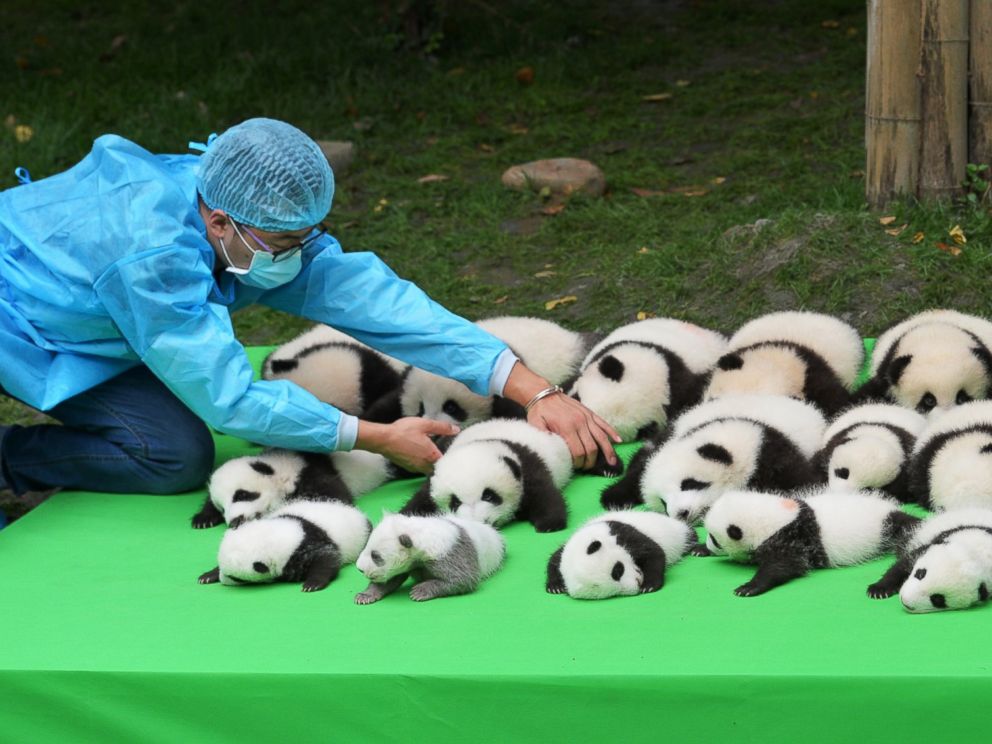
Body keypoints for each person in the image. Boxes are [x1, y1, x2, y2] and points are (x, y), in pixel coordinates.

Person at [0, 118, 618, 499]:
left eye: (308, 236)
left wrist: (537, 392)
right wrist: (377, 437)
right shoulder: (151, 258)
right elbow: (230, 399)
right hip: (17, 314)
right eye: (286, 244)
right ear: (218, 221)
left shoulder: (245, 217)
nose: (301, 256)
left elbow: (386, 305)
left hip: (94, 318)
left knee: (174, 457)